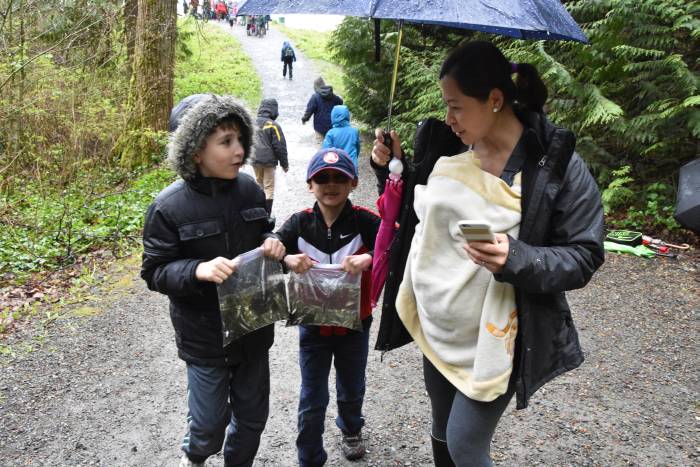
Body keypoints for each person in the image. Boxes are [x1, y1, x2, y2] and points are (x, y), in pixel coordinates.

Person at [370, 41, 605, 467]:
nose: (449, 118)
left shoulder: (556, 165)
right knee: (441, 426)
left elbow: (584, 255)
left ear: (495, 100)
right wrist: (392, 165)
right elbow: (416, 216)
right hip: (441, 322)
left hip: (500, 332)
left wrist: (514, 257)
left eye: (456, 106)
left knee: (464, 442)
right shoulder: (449, 148)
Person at [141, 94, 286, 467]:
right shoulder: (167, 207)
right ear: (194, 152)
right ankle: (196, 455)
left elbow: (264, 235)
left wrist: (274, 245)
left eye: (240, 139)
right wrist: (197, 270)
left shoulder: (250, 190)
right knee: (209, 424)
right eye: (226, 142)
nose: (240, 150)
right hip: (204, 336)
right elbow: (155, 271)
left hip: (253, 329)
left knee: (252, 418)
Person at [275, 148, 381, 467]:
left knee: (352, 386)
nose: (330, 184)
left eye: (339, 178)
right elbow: (272, 245)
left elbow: (396, 246)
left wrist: (370, 259)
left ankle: (351, 429)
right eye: (322, 178)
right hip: (313, 326)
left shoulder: (365, 220)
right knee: (312, 396)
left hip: (355, 325)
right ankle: (309, 455)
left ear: (353, 183)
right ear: (310, 185)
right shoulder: (299, 224)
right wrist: (286, 258)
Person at [251, 98, 288, 216]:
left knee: (259, 183)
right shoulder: (273, 125)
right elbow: (280, 146)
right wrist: (284, 164)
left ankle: (258, 211)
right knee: (269, 187)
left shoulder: (252, 123)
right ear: (274, 110)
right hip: (269, 161)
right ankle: (267, 214)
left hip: (255, 159)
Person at [301, 77, 343, 144]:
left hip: (320, 128)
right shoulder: (332, 95)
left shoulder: (315, 97)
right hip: (332, 127)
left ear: (315, 87)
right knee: (331, 146)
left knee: (320, 147)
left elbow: (309, 111)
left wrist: (304, 119)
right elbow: (340, 102)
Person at [322, 105, 361, 172]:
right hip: (351, 164)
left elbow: (326, 151)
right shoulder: (354, 131)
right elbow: (357, 147)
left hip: (336, 166)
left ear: (333, 116)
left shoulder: (331, 133)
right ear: (347, 116)